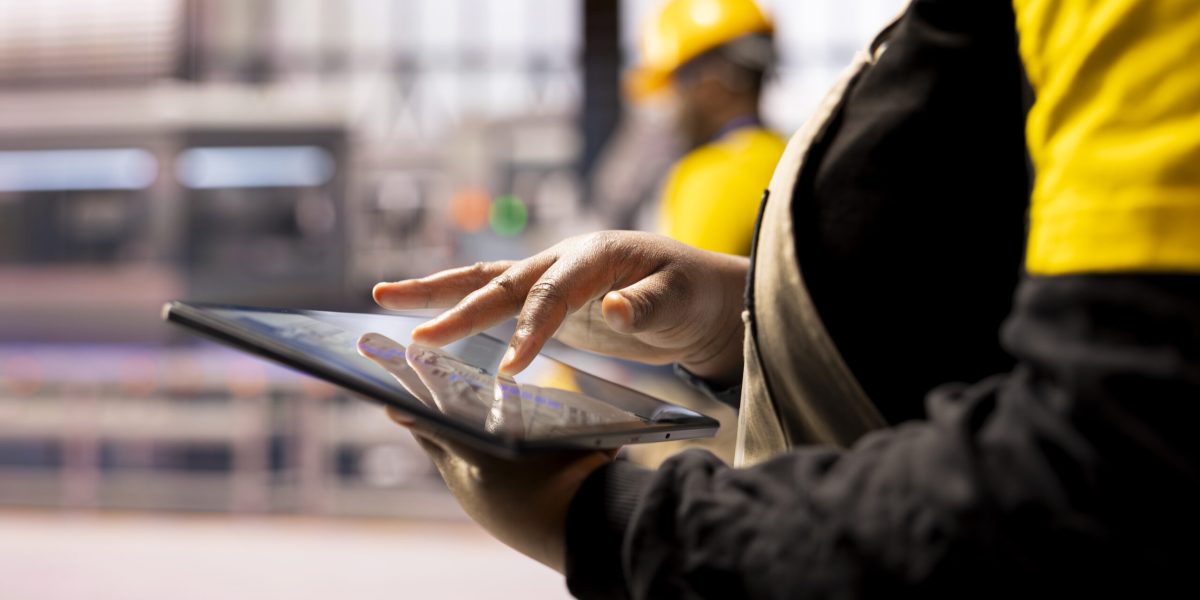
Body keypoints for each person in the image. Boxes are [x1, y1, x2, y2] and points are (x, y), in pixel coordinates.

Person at [371, 0, 1200, 596]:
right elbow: (980, 309)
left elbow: (1103, 481)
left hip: (767, 508)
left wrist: (602, 520)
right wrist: (744, 318)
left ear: (701, 83)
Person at [629, 0, 786, 256]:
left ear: (713, 79)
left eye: (676, 88)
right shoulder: (789, 160)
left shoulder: (708, 179)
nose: (673, 107)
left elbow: (683, 292)